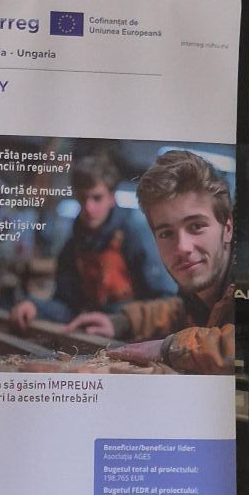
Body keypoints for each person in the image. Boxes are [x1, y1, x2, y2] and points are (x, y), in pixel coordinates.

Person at [66, 149, 235, 375]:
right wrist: (121, 322)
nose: (182, 247)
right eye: (166, 233)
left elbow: (244, 344)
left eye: (196, 226)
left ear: (228, 228)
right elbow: (177, 310)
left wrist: (168, 348)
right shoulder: (196, 297)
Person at [7, 150, 173, 331]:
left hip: (134, 333)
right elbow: (68, 308)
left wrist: (121, 322)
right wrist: (35, 307)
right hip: (97, 334)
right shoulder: (74, 244)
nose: (89, 207)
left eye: (97, 198)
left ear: (111, 197)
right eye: (82, 198)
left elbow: (165, 301)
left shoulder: (135, 232)